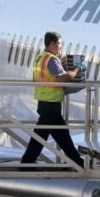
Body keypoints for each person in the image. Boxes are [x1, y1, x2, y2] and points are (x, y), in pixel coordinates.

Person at [20, 31, 84, 168]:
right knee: (40, 135)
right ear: (52, 44)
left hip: (44, 101)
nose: (61, 47)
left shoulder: (41, 57)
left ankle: (76, 161)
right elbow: (63, 78)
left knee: (61, 133)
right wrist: (77, 70)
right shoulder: (51, 59)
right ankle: (26, 163)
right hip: (50, 103)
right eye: (59, 44)